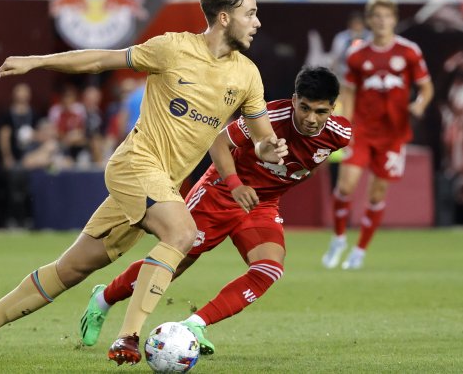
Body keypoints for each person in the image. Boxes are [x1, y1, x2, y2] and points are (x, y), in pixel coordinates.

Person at [0, 0, 288, 368]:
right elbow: (101, 59)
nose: (257, 22)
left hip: (162, 183)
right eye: (251, 13)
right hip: (135, 165)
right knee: (182, 232)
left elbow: (262, 136)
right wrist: (37, 61)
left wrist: (271, 148)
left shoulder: (247, 74)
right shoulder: (172, 48)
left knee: (73, 268)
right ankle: (128, 337)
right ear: (224, 17)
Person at [78, 66, 350, 353]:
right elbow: (219, 141)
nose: (310, 118)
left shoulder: (339, 135)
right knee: (176, 262)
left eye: (320, 111)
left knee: (269, 267)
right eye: (304, 108)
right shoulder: (269, 118)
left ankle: (194, 325)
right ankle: (103, 299)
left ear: (333, 107)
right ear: (294, 100)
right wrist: (234, 184)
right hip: (221, 192)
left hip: (261, 204)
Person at [321, 0, 434, 270]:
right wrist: (344, 127)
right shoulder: (357, 54)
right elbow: (348, 93)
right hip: (362, 131)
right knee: (345, 186)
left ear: (394, 20)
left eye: (387, 17)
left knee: (376, 195)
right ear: (370, 21)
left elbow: (426, 88)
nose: (382, 22)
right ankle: (338, 238)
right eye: (377, 17)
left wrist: (418, 105)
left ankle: (359, 250)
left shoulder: (409, 51)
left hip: (393, 135)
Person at [0, 82, 38, 229]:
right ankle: (14, 218)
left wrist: (34, 136)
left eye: (25, 92)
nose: (23, 95)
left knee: (29, 189)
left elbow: (40, 133)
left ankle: (29, 218)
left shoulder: (33, 113)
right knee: (15, 189)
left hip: (31, 158)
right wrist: (7, 157)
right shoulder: (8, 115)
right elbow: (4, 136)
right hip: (15, 159)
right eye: (20, 92)